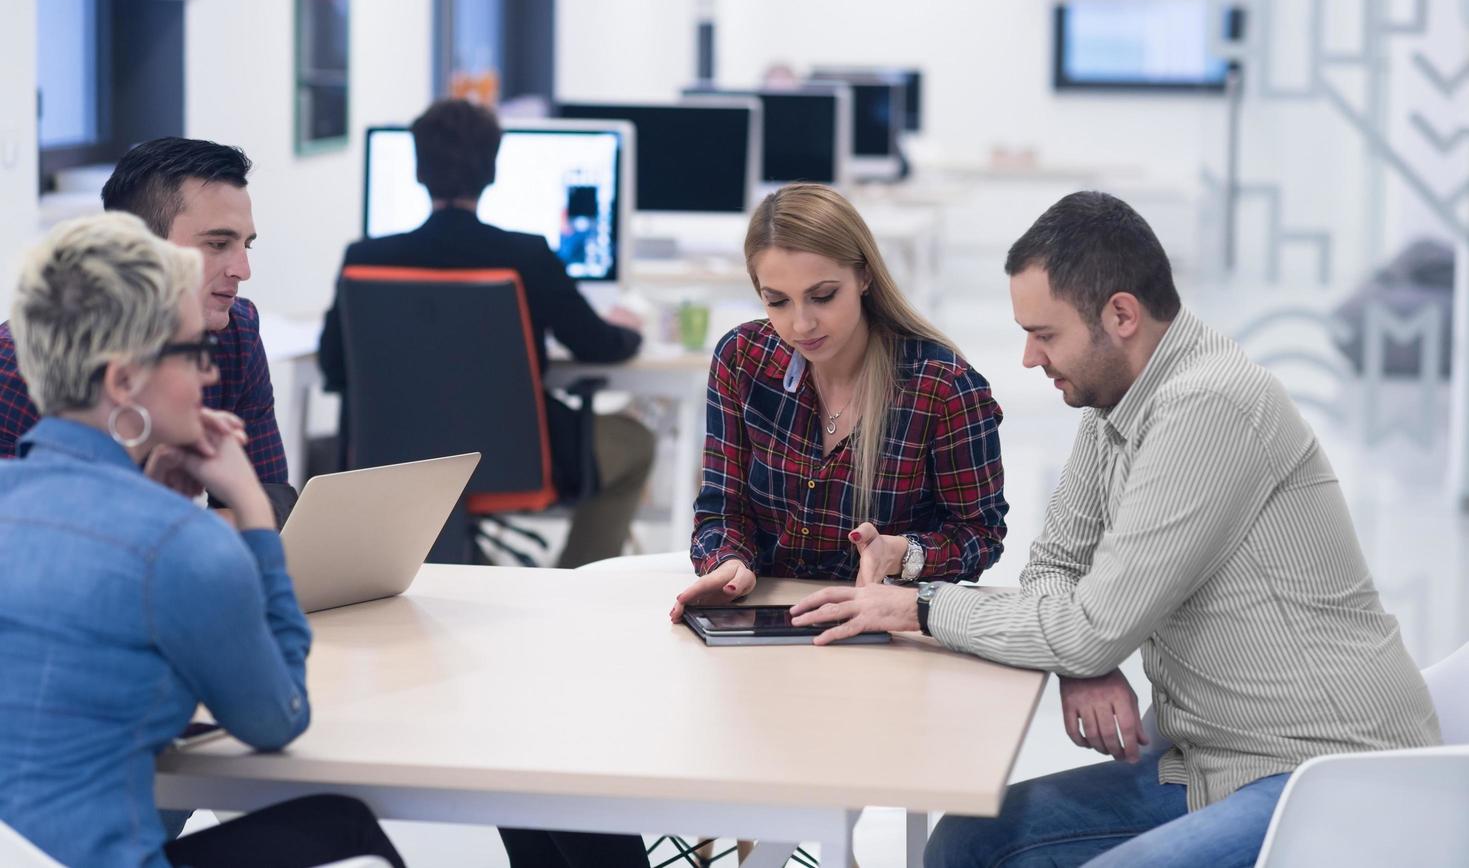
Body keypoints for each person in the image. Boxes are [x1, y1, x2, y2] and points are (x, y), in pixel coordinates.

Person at [788, 191, 1441, 867]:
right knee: (971, 843)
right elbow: (1055, 567)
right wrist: (1082, 660)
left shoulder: (1206, 406)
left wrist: (918, 606)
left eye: (1044, 334)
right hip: (1209, 766)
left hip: (1326, 775)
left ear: (1120, 315)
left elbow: (1087, 626)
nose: (1028, 358)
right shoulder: (1114, 404)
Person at [0, 214, 404, 868]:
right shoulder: (181, 544)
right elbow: (279, 717)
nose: (211, 377)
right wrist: (251, 511)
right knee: (344, 824)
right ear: (122, 381)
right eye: (192, 355)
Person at [318, 97, 655, 569]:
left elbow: (333, 368)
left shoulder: (363, 258)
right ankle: (573, 582)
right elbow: (596, 344)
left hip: (391, 466)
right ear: (492, 170)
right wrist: (629, 331)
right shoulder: (528, 255)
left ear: (418, 170)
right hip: (510, 459)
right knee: (637, 444)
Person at [670, 182, 1007, 621]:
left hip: (885, 630)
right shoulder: (742, 360)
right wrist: (729, 564)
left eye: (823, 295)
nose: (801, 323)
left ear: (864, 276)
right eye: (777, 301)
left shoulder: (943, 387)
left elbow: (981, 535)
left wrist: (902, 554)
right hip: (762, 622)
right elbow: (722, 508)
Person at [0, 137, 295, 526]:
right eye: (218, 243)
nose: (242, 269)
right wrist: (181, 529)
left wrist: (170, 530)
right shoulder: (21, 363)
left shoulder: (235, 332)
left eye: (246, 245)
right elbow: (24, 536)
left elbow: (274, 503)